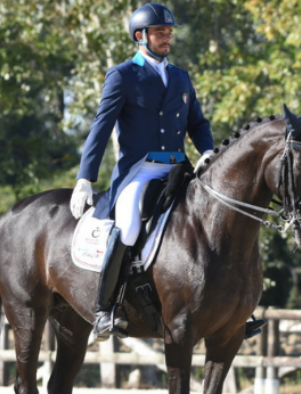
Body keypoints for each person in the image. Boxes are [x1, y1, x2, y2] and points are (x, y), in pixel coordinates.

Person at [69, 3, 215, 342]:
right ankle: (105, 310)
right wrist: (84, 178)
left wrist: (207, 149)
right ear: (141, 36)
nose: (167, 38)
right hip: (140, 171)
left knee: (215, 220)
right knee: (130, 226)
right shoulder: (123, 75)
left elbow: (197, 122)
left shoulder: (180, 76)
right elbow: (101, 127)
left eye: (169, 32)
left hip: (179, 169)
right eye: (160, 33)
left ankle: (232, 306)